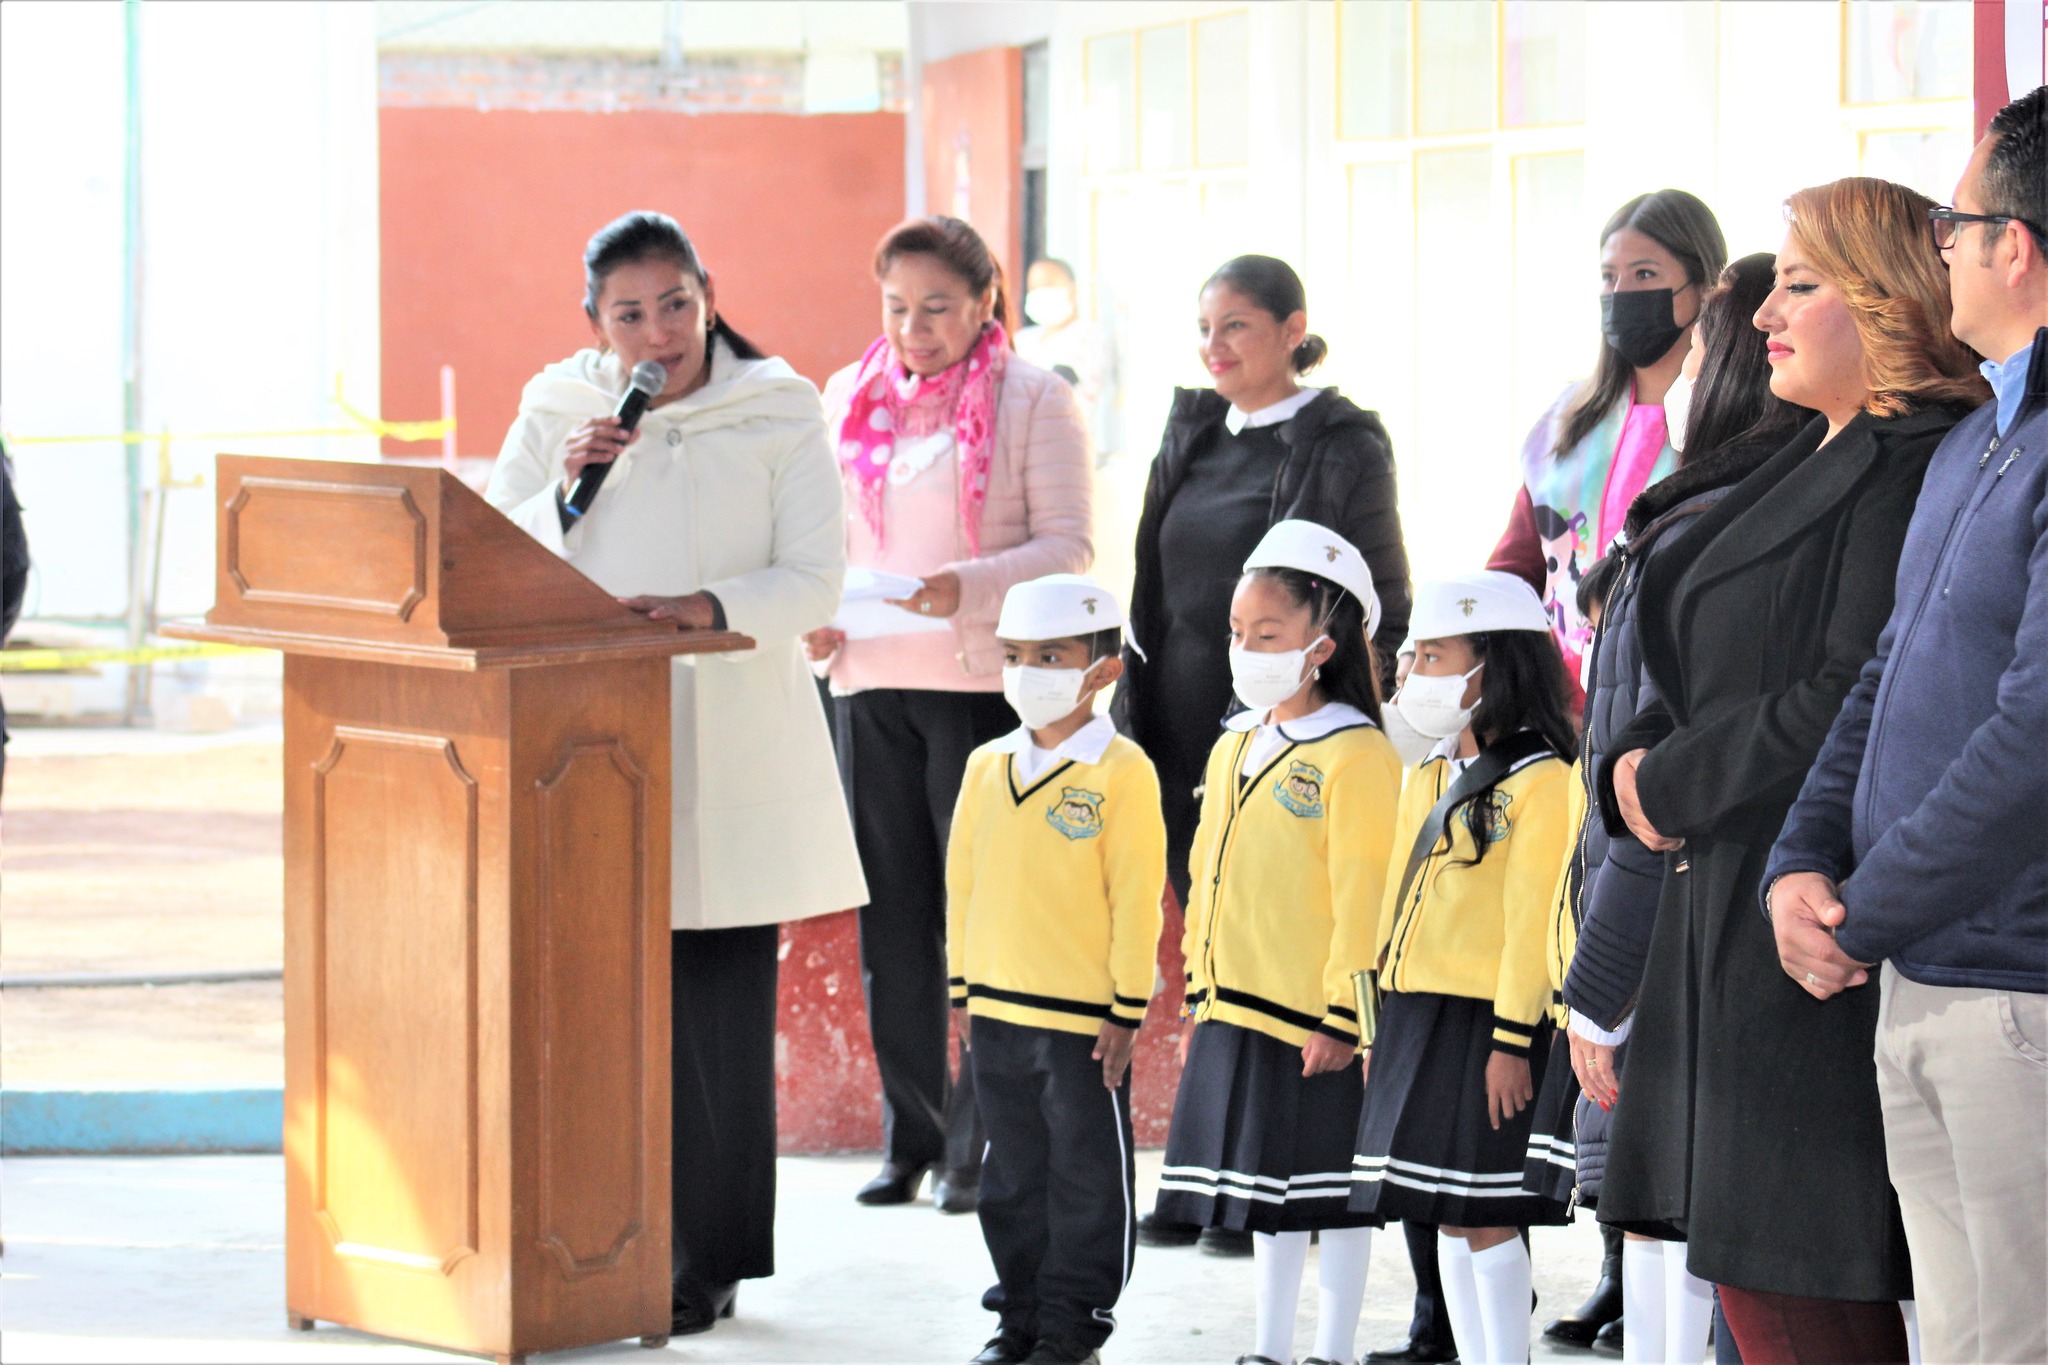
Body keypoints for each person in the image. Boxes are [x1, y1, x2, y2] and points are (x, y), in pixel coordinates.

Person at [1595, 176, 1988, 1362]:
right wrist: (1626, 760)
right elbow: (1675, 650)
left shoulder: (1913, 464)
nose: (1761, 312)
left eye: (1800, 285)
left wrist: (1658, 785)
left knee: (1803, 1296)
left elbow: (1845, 694)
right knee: (1757, 1299)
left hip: (1805, 925)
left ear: (1885, 302)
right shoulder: (1792, 453)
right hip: (1716, 910)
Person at [483, 210, 868, 1336]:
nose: (657, 334)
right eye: (629, 314)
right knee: (593, 1005)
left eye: (676, 305)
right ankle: (591, 1238)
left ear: (708, 291)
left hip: (727, 739)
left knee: (712, 1018)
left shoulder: (780, 408)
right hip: (584, 748)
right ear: (592, 321)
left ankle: (708, 1257)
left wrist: (706, 608)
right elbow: (493, 559)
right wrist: (563, 488)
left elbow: (813, 580)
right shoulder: (558, 407)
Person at [1764, 85, 2048, 1365]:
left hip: (2013, 990)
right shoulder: (1979, 437)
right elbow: (1884, 677)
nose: (1940, 244)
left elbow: (2033, 735)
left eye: (1955, 220)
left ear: (2015, 247)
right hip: (1919, 972)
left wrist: (1859, 911)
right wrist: (1797, 865)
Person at [1544, 253, 1814, 1363]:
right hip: (1684, 935)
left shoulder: (1700, 534)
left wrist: (1600, 984)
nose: (1674, 373)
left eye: (1699, 350)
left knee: (1687, 1236)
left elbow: (1649, 798)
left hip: (1676, 945)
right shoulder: (1706, 516)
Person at [1115, 258, 1411, 1259]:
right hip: (1189, 735)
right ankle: (1212, 1181)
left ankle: (1274, 1191)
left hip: (1297, 731)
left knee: (1288, 949)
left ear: (1292, 327)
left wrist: (1324, 708)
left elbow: (1382, 592)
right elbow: (1148, 589)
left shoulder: (1340, 439)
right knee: (1215, 945)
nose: (1215, 346)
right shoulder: (1190, 429)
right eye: (1203, 327)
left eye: (1236, 326)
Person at [810, 215, 1093, 1216]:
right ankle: (909, 1136)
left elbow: (1068, 550)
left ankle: (978, 1144)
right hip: (869, 684)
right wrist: (817, 620)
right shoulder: (845, 399)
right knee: (893, 926)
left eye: (937, 307)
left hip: (979, 691)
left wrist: (961, 586)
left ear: (983, 302)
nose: (915, 328)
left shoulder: (1033, 399)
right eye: (896, 307)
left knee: (980, 925)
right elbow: (822, 539)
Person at [1153, 521, 1401, 1365]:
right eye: (1237, 634)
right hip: (1234, 1004)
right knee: (1263, 1193)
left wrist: (1345, 1015)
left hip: (1311, 1021)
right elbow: (1205, 869)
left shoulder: (1358, 753)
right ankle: (1268, 1347)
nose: (1246, 650)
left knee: (1331, 1196)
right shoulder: (1235, 743)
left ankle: (1330, 1350)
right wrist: (1197, 983)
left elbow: (1362, 898)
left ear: (1322, 645)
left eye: (1268, 635)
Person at [1350, 571, 1577, 1365]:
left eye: (1434, 657)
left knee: (1487, 1208)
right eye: (1414, 658)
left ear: (1492, 668)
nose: (1412, 677)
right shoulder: (1429, 772)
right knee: (1442, 1205)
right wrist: (1373, 1022)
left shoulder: (1544, 781)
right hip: (1417, 1014)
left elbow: (1531, 926)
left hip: (1488, 1022)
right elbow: (1389, 904)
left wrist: (1514, 1041)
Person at [948, 574, 1165, 1365]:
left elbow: (1138, 898)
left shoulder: (1123, 771)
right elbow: (961, 886)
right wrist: (962, 990)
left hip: (1081, 1025)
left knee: (1085, 1179)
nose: (1027, 671)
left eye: (1050, 654)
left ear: (1102, 669)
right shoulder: (984, 766)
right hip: (996, 1014)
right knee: (1008, 1179)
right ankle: (1019, 1319)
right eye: (1014, 655)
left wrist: (1125, 1009)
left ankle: (1073, 1329)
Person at [1490, 191, 1728, 710]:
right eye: (1608, 277)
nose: (1621, 293)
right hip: (1554, 708)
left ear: (1705, 287)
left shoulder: (1729, 421)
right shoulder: (1565, 419)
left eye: (1644, 274)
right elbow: (1518, 563)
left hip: (1662, 705)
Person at [1016, 258, 1119, 462]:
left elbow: (1054, 388)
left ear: (1072, 291)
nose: (1038, 293)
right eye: (1033, 288)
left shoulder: (1087, 336)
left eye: (1047, 285)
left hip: (1066, 456)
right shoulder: (1022, 339)